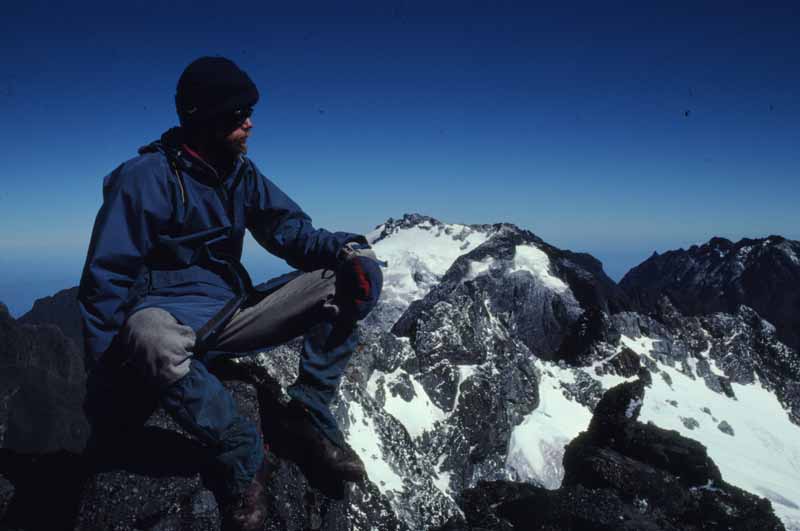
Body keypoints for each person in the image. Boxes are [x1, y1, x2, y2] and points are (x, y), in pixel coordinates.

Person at [77, 56, 383, 531]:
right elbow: (106, 279)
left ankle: (306, 412)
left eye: (249, 113)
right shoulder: (144, 177)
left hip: (230, 309)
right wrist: (105, 382)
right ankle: (241, 451)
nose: (249, 124)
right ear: (204, 117)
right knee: (152, 338)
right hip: (167, 315)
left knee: (350, 277)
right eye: (238, 115)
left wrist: (346, 250)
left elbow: (289, 232)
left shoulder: (240, 173)